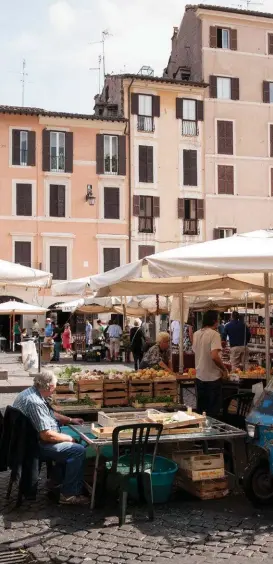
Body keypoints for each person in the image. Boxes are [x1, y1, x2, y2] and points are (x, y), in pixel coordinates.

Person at [13, 370, 88, 505]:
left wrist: (70, 419)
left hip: (27, 440)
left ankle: (55, 482)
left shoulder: (32, 393)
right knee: (78, 450)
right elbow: (46, 435)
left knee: (69, 445)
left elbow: (50, 414)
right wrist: (69, 439)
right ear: (50, 387)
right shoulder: (35, 402)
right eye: (54, 386)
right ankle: (69, 494)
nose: (54, 389)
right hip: (34, 445)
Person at [193, 310, 228, 418]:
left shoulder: (196, 334)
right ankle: (212, 432)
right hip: (212, 379)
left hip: (199, 377)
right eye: (217, 319)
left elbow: (198, 351)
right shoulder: (215, 334)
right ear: (214, 321)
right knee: (213, 413)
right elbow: (214, 356)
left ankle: (201, 433)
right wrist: (224, 369)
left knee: (201, 412)